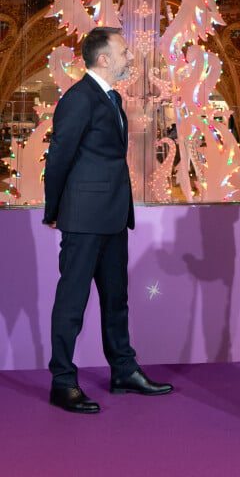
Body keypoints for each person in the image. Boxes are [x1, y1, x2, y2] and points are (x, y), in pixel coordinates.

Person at [43, 27, 174, 413]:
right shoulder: (78, 98)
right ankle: (63, 381)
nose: (130, 58)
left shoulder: (112, 97)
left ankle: (123, 370)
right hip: (83, 219)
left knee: (117, 300)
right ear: (103, 59)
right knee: (72, 301)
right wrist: (54, 211)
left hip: (115, 217)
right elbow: (59, 158)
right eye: (124, 52)